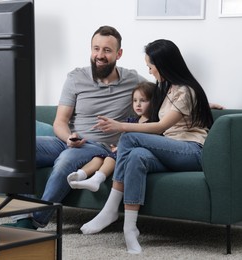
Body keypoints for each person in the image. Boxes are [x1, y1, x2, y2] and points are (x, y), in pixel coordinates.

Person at [79, 39, 214, 254]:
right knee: (136, 156)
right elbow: (173, 113)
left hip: (191, 151)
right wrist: (207, 104)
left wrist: (121, 126)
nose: (150, 71)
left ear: (162, 65)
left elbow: (161, 125)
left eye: (151, 66)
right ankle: (130, 228)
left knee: (129, 137)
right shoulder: (167, 89)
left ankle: (110, 208)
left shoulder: (186, 91)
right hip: (169, 150)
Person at [8, 25, 146, 229]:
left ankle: (35, 221)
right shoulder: (76, 77)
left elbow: (163, 96)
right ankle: (23, 215)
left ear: (119, 54)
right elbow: (60, 122)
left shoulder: (132, 80)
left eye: (107, 50)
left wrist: (202, 103)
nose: (100, 55)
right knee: (14, 150)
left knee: (64, 162)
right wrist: (68, 138)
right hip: (68, 142)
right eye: (96, 48)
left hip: (99, 147)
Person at [67, 81, 156, 192]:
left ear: (153, 102)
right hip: (122, 151)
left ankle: (96, 179)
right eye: (135, 100)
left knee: (110, 158)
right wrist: (118, 147)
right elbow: (124, 138)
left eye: (143, 100)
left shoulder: (154, 124)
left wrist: (120, 149)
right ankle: (80, 175)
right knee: (98, 158)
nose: (138, 104)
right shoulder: (131, 121)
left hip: (134, 155)